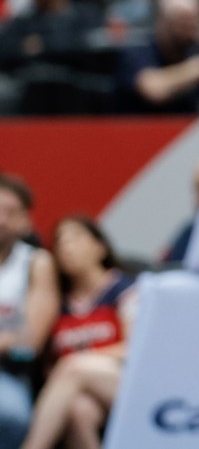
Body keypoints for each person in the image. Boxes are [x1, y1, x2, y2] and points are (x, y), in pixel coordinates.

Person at [20, 215, 136, 449]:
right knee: (77, 412)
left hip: (124, 382)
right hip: (77, 389)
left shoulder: (126, 290)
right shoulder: (57, 302)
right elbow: (48, 361)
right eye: (60, 243)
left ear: (100, 247)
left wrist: (85, 360)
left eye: (76, 238)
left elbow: (135, 348)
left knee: (73, 366)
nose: (67, 248)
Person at [0, 174, 59, 448]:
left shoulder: (36, 263)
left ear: (26, 221)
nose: (1, 220)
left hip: (8, 373)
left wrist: (10, 342)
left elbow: (29, 340)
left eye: (10, 213)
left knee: (9, 415)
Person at [113, 0, 199, 114]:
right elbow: (154, 89)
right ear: (161, 21)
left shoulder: (197, 51)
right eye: (182, 22)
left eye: (195, 21)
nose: (190, 29)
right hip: (140, 130)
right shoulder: (137, 53)